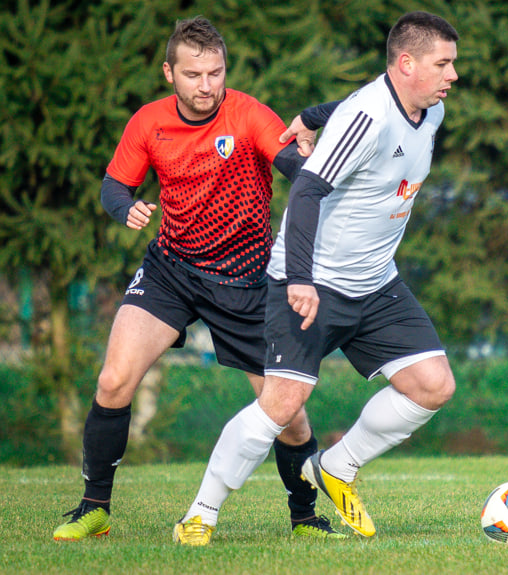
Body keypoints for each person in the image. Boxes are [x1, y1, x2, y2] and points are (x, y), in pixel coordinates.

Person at [52, 16, 345, 544]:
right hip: (172, 270)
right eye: (194, 74)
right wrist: (126, 209)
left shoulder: (247, 112)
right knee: (113, 381)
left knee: (289, 414)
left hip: (249, 281)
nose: (207, 85)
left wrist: (310, 173)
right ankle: (94, 509)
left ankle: (305, 519)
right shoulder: (148, 122)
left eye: (216, 72)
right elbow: (114, 187)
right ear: (170, 73)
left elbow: (290, 165)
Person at [174, 10, 459, 542]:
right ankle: (201, 512)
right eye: (443, 64)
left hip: (375, 283)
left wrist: (311, 114)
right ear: (407, 62)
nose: (452, 75)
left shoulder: (428, 111)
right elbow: (306, 190)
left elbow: (351, 107)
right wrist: (301, 279)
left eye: (452, 64)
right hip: (311, 281)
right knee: (282, 405)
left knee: (433, 386)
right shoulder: (369, 118)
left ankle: (337, 466)